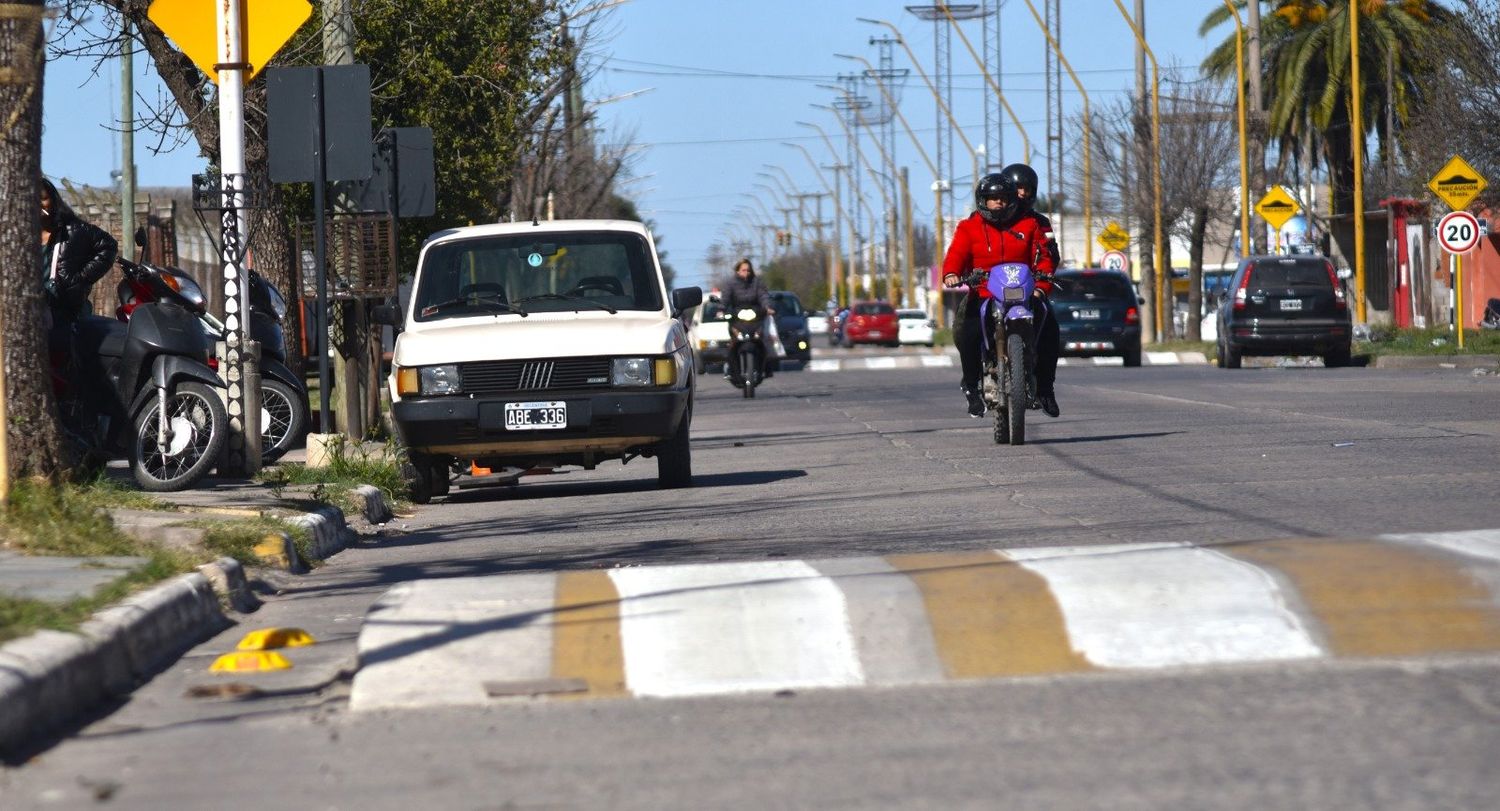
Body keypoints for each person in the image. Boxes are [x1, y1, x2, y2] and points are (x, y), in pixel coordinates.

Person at [941, 166, 1062, 419]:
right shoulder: (969, 226)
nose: (999, 203)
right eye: (993, 199)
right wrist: (952, 273)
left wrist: (1042, 288)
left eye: (1004, 198)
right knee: (967, 330)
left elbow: (1044, 259)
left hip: (1025, 293)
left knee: (1050, 327)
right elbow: (956, 255)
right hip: (985, 292)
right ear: (982, 201)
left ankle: (1046, 388)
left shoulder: (1030, 224)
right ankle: (972, 388)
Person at [41, 178, 119, 416]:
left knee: (69, 357)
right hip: (35, 307)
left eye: (42, 198)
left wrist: (82, 278)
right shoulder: (17, 236)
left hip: (65, 306)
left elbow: (108, 245)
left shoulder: (73, 230)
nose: (37, 204)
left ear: (53, 200)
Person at [721, 257, 775, 384]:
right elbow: (725, 299)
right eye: (743, 270)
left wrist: (767, 307)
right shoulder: (730, 284)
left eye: (748, 270)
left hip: (755, 316)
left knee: (763, 342)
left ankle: (766, 367)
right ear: (738, 271)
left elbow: (763, 296)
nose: (746, 273)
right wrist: (721, 310)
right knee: (731, 345)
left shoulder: (757, 282)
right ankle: (731, 370)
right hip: (737, 318)